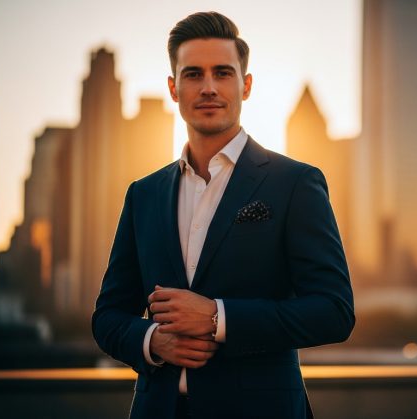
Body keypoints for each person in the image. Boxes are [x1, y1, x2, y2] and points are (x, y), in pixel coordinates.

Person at [92, 11, 355, 419]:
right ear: (174, 88)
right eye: (193, 74)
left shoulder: (295, 183)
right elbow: (108, 317)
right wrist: (151, 341)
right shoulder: (143, 194)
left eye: (223, 73)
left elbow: (333, 311)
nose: (209, 88)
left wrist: (218, 317)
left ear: (245, 85)